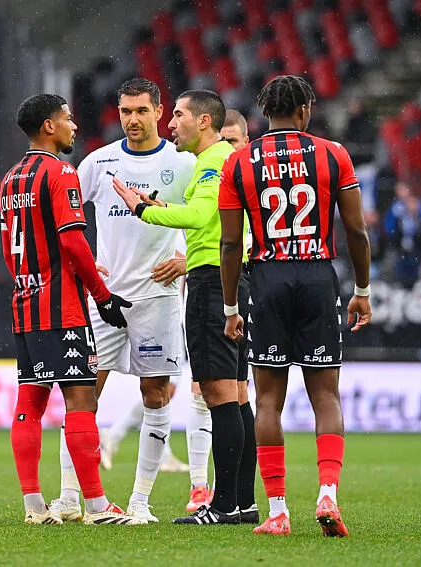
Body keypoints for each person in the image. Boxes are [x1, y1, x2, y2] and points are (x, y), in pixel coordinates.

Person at [219, 75, 372, 537]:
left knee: (268, 399)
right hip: (315, 276)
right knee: (325, 396)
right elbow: (357, 232)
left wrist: (231, 308)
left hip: (266, 279)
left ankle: (278, 511)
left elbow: (229, 244)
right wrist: (362, 290)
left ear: (266, 112)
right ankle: (327, 493)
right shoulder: (332, 154)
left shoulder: (240, 162)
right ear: (305, 111)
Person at [50, 78, 196, 524]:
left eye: (141, 111)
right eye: (125, 111)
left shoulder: (182, 163)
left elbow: (211, 216)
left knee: (155, 393)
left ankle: (139, 504)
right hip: (105, 298)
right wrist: (86, 269)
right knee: (82, 395)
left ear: (158, 111)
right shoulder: (99, 161)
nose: (132, 119)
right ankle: (70, 498)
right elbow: (64, 217)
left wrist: (185, 256)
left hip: (158, 296)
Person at [113, 90, 259, 526]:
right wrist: (163, 206)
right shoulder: (220, 161)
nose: (171, 123)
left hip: (213, 280)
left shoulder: (213, 160)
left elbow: (198, 218)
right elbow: (208, 213)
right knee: (235, 394)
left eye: (178, 115)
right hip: (229, 277)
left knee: (217, 394)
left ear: (205, 121)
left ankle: (225, 504)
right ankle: (243, 501)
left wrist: (142, 209)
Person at [0, 93, 142, 526]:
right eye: (66, 119)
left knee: (29, 404)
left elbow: (11, 250)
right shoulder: (60, 172)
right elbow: (73, 241)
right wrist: (101, 295)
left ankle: (34, 506)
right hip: (63, 310)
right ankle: (97, 506)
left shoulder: (10, 178)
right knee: (81, 401)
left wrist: (34, 278)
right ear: (48, 126)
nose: (73, 126)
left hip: (26, 305)